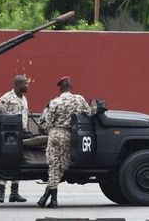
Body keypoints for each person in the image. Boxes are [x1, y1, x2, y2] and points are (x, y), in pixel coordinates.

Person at [37, 76, 93, 208]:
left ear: (60, 88)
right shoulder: (79, 99)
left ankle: (48, 198)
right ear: (71, 87)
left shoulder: (54, 102)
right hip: (69, 135)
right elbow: (89, 113)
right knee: (62, 165)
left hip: (54, 133)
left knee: (54, 165)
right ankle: (50, 198)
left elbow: (48, 122)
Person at [0, 75, 28, 203]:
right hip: (8, 135)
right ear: (17, 85)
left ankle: (14, 193)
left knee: (17, 161)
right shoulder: (6, 97)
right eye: (25, 83)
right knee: (4, 162)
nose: (27, 85)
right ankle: (1, 193)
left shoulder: (24, 98)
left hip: (22, 133)